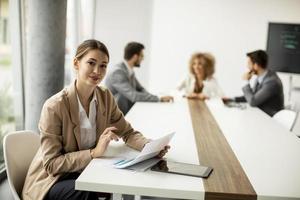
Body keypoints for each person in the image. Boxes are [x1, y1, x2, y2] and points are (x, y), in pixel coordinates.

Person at [22, 39, 169, 200]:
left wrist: (150, 146)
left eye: (103, 65)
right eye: (91, 63)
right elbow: (51, 165)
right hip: (53, 180)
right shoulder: (54, 106)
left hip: (85, 171)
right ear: (76, 63)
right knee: (88, 191)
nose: (97, 71)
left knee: (118, 179)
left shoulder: (105, 96)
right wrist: (93, 153)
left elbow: (127, 132)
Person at [105, 42, 173, 115]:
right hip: (114, 117)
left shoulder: (128, 70)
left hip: (126, 112)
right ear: (135, 57)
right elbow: (134, 96)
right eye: (142, 56)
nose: (143, 58)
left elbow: (140, 89)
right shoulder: (117, 72)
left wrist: (155, 98)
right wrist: (159, 99)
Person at [229, 50, 284, 116]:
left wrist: (245, 82)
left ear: (256, 65)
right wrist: (232, 99)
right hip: (260, 115)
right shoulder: (260, 77)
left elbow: (253, 101)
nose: (247, 66)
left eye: (249, 63)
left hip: (270, 119)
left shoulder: (272, 82)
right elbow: (252, 96)